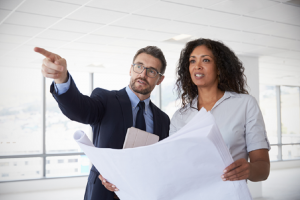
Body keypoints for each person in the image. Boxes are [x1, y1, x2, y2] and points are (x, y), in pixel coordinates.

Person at [34, 46, 170, 200]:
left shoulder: (163, 119)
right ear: (130, 70)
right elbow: (79, 109)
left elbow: (161, 161)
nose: (143, 74)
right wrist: (61, 78)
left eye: (151, 71)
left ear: (160, 79)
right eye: (139, 66)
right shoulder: (106, 100)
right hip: (103, 194)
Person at [170, 38, 270, 182]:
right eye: (192, 61)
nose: (197, 66)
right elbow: (174, 163)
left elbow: (263, 169)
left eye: (205, 60)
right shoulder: (179, 116)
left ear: (219, 68)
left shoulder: (245, 104)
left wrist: (249, 169)